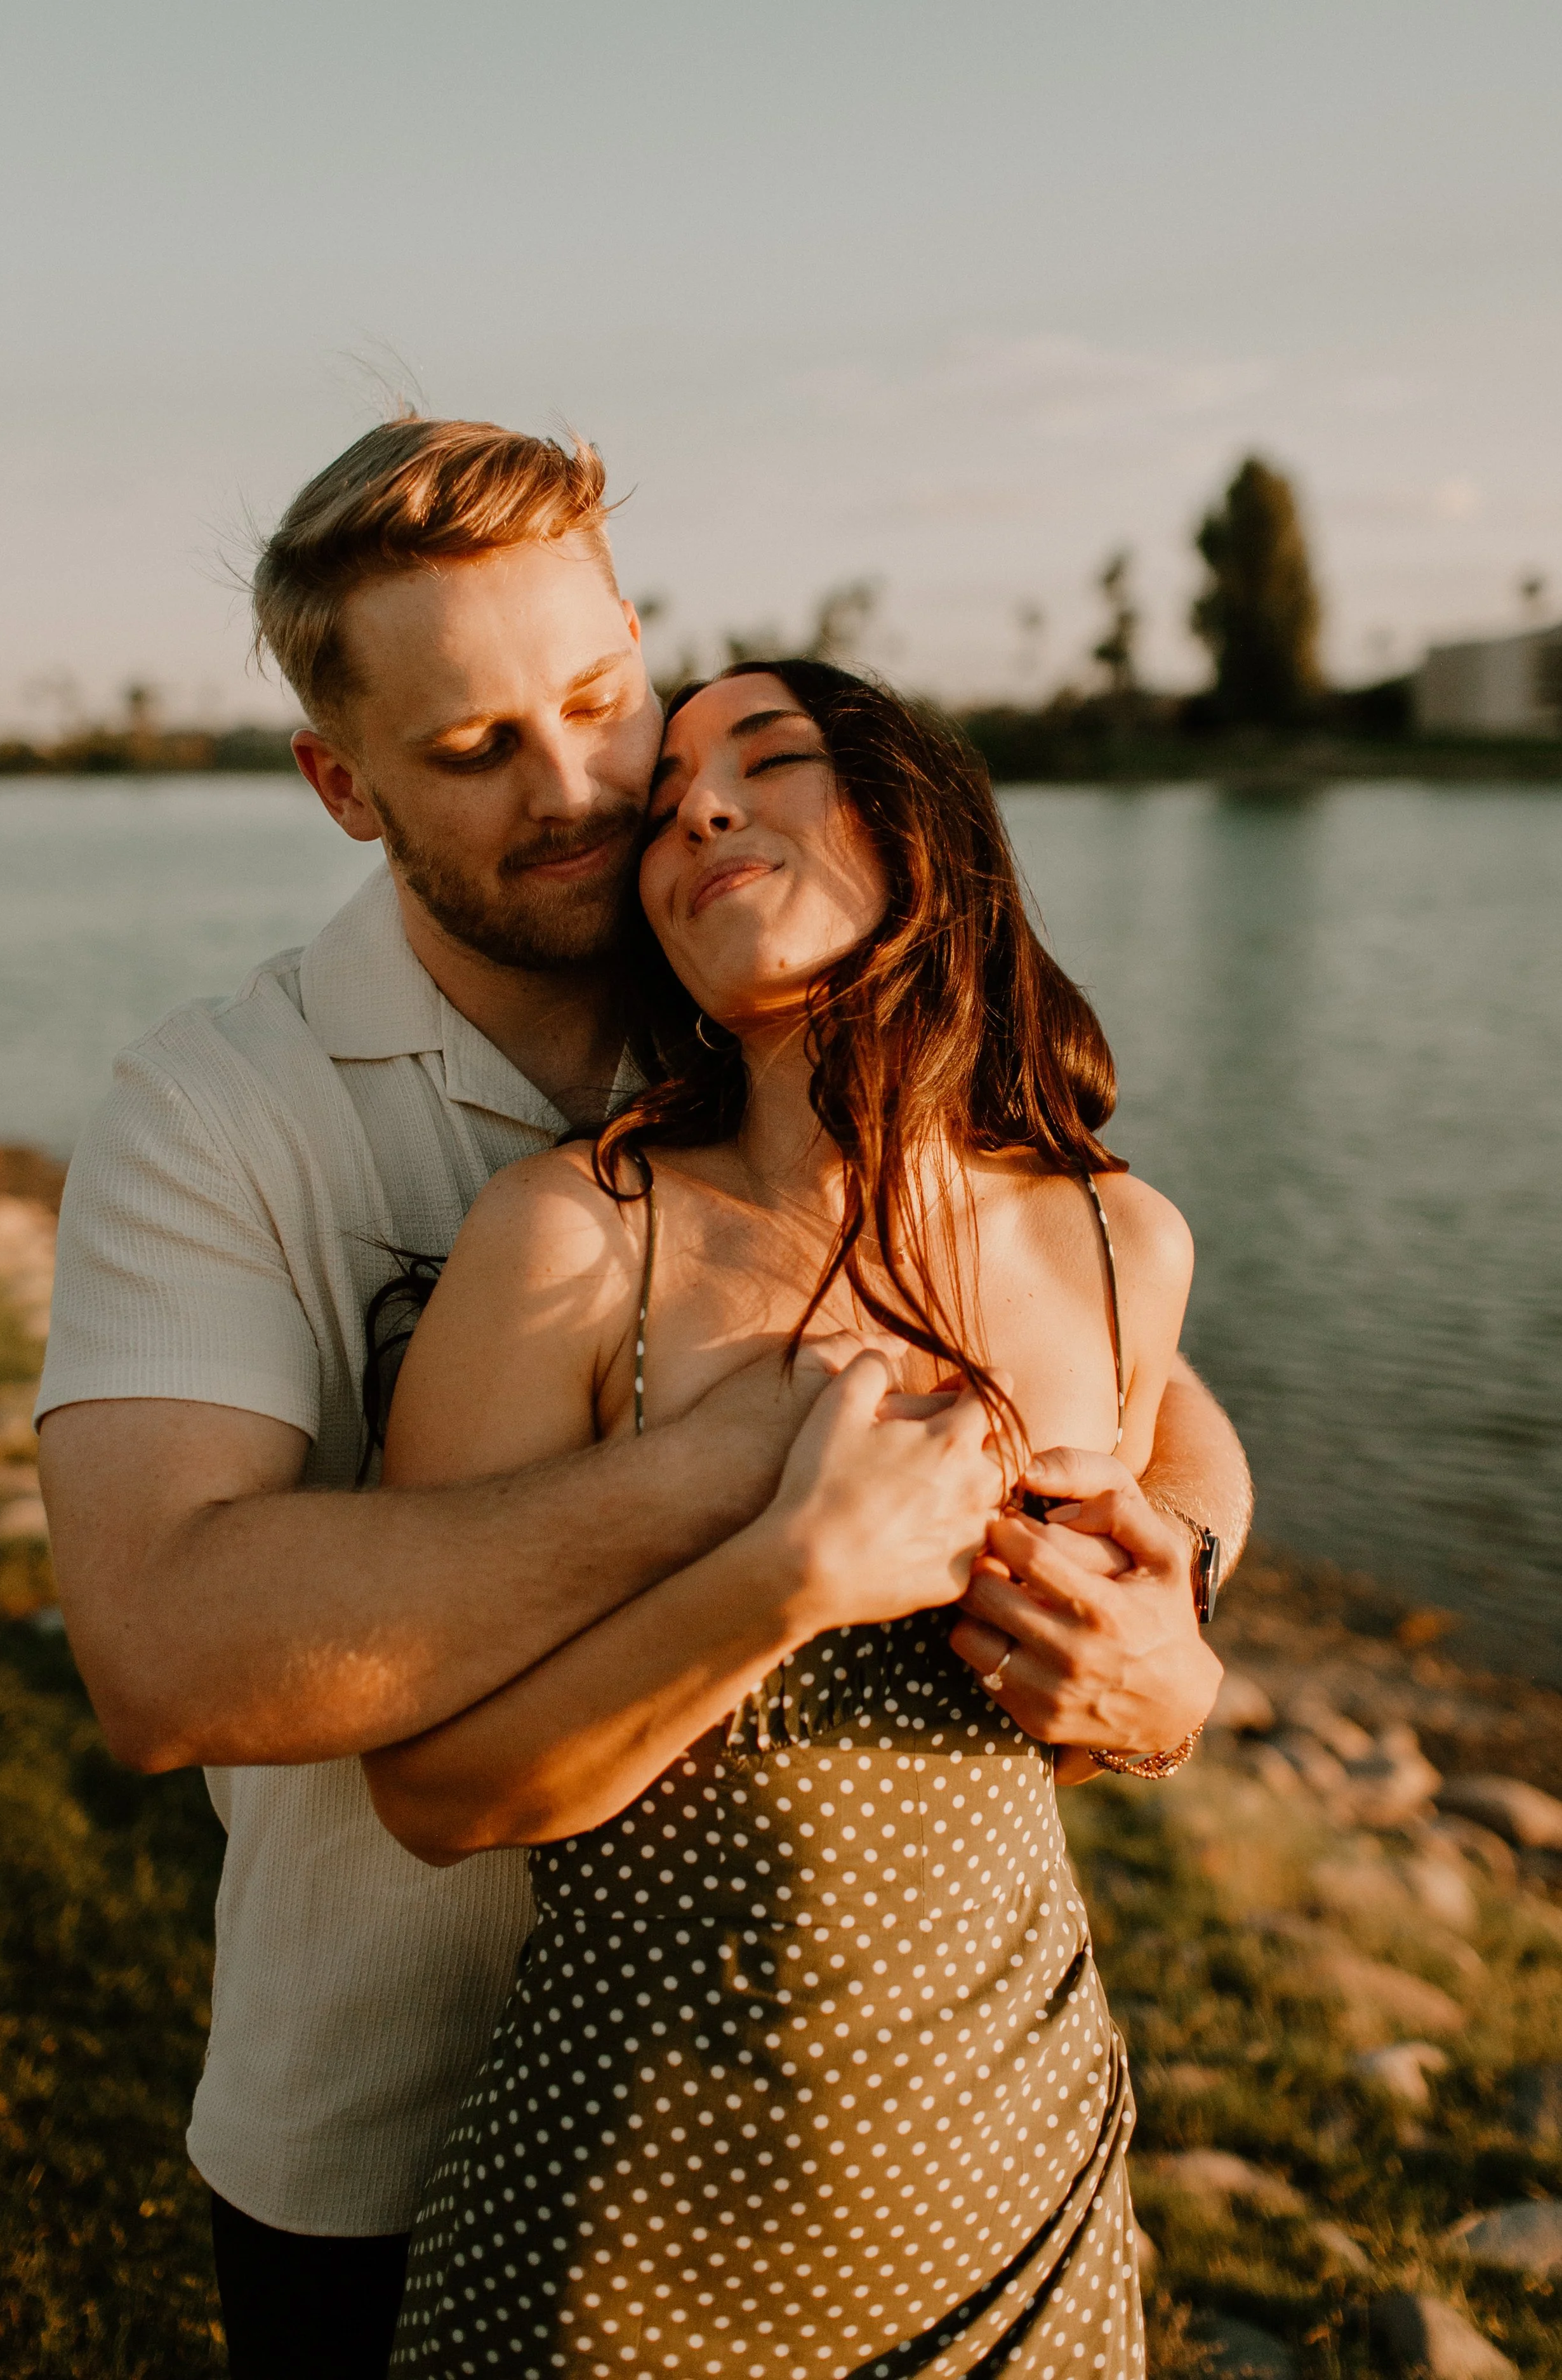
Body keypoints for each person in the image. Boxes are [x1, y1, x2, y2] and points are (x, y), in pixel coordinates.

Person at [35, 418, 1247, 2380]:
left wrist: (1173, 1609)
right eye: (473, 749)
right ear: (343, 786)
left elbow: (1129, 1364)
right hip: (390, 2118)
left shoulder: (770, 995)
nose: (586, 787)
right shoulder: (222, 1106)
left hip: (894, 2125)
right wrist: (726, 1475)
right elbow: (164, 1650)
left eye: (607, 700)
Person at [367, 658, 1211, 2379]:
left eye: (769, 761)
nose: (701, 812)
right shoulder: (576, 1239)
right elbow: (432, 1792)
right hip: (631, 2240)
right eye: (666, 806)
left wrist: (1163, 1699)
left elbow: (1066, 1705)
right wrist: (777, 1580)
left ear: (924, 825)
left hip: (1019, 2197)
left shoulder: (1121, 1241)